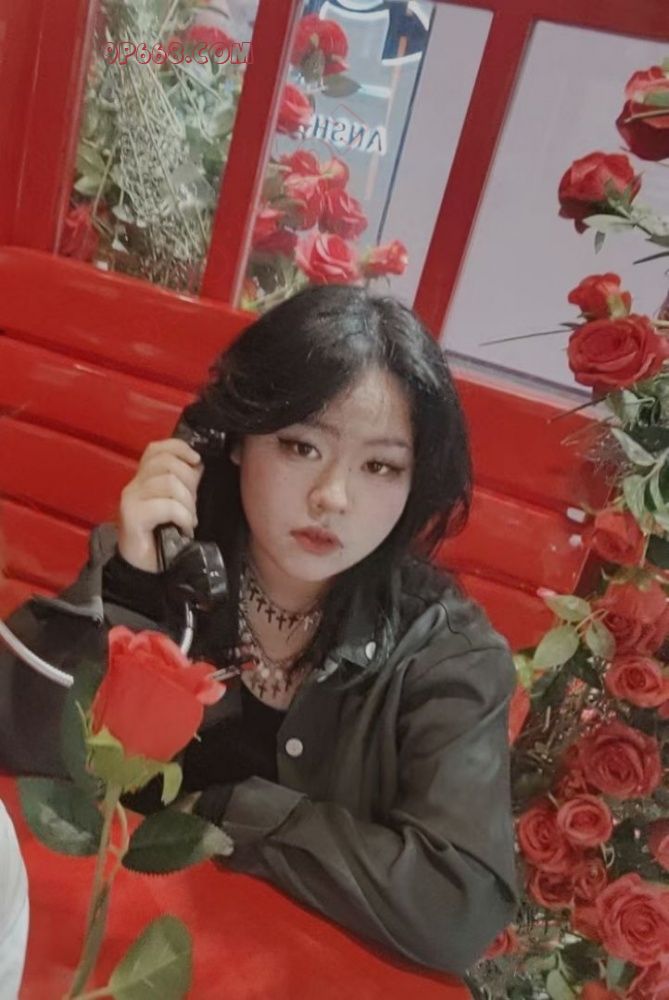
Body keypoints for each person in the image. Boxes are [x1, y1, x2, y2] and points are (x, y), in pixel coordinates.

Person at [0, 284, 518, 975]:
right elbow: (20, 746)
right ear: (233, 440)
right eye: (300, 446)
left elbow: (458, 907)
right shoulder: (167, 562)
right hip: (104, 957)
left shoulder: (443, 649)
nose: (333, 497)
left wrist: (232, 809)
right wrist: (127, 589)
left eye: (379, 466)